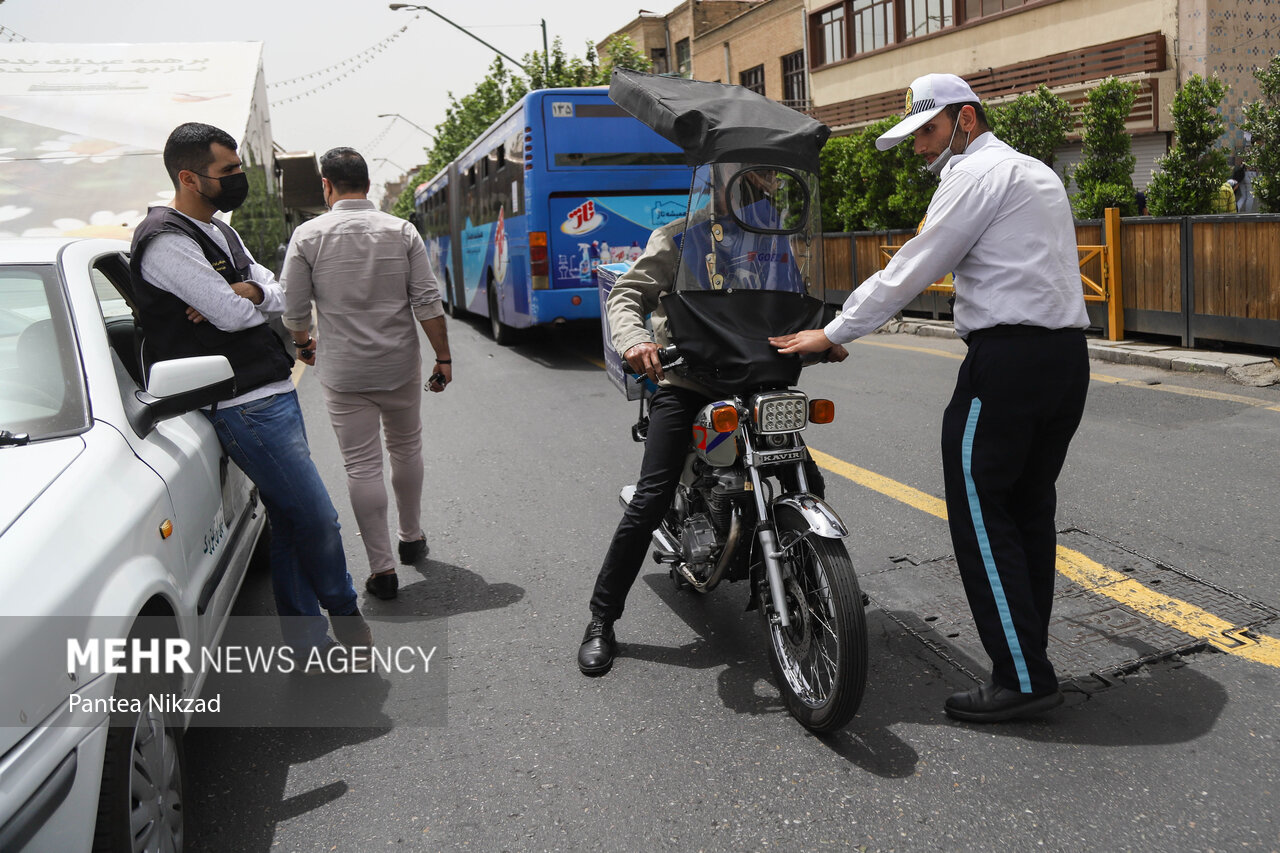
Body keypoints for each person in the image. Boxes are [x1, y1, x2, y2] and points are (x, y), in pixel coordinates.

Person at [771, 73, 1091, 723]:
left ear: (965, 120)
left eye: (927, 130)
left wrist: (830, 331)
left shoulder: (972, 177)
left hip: (1005, 364)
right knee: (1027, 508)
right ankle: (1030, 658)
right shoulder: (1037, 173)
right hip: (1066, 362)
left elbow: (913, 266)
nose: (920, 147)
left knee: (981, 510)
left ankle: (1022, 676)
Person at [577, 164, 846, 676]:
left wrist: (826, 336)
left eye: (766, 173)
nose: (760, 183)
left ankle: (819, 583)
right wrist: (635, 340)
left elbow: (791, 304)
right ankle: (601, 619)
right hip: (689, 380)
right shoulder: (681, 237)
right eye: (749, 172)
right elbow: (627, 294)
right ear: (720, 178)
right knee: (651, 496)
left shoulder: (773, 241)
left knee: (806, 477)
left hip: (758, 378)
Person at [130, 122, 372, 661]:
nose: (239, 179)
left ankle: (307, 642)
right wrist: (247, 296)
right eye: (229, 172)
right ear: (189, 177)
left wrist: (250, 288)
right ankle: (343, 607)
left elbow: (282, 291)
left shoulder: (221, 230)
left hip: (270, 389)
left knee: (288, 518)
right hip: (242, 405)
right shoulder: (166, 241)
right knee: (316, 517)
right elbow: (233, 314)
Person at [280, 147, 451, 601]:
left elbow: (293, 309)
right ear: (368, 185)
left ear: (326, 186)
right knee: (406, 447)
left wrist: (302, 343)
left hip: (344, 372)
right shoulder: (402, 231)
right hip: (398, 366)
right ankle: (411, 537)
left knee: (361, 465)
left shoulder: (308, 236)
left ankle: (383, 570)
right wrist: (444, 358)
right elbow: (427, 302)